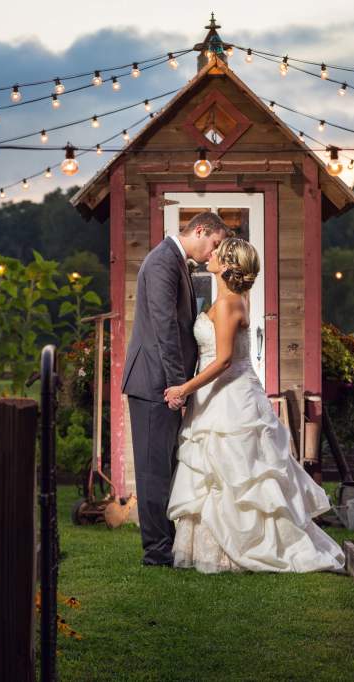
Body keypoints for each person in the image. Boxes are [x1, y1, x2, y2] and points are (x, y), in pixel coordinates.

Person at [165, 238, 345, 574]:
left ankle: (250, 548)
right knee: (216, 473)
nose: (212, 254)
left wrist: (183, 389)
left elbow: (222, 361)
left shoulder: (230, 304)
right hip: (216, 395)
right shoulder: (229, 300)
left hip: (231, 393)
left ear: (228, 266)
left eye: (219, 253)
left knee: (242, 473)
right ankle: (216, 550)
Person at [122, 211, 229, 567]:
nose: (213, 252)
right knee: (154, 470)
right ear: (201, 230)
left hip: (162, 382)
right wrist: (176, 386)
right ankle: (156, 551)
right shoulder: (162, 263)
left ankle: (166, 543)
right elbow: (166, 329)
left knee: (165, 465)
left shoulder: (175, 262)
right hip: (154, 382)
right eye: (214, 243)